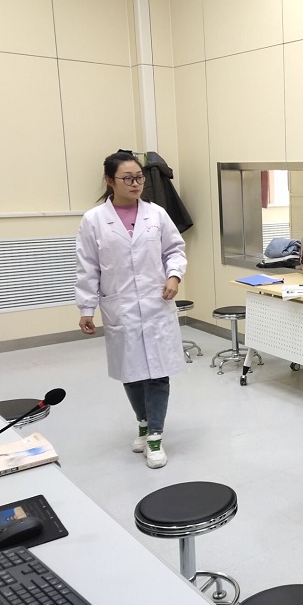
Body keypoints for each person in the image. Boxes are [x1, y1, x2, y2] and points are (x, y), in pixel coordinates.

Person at [75, 151, 187, 469]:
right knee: (132, 372)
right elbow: (87, 268)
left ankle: (155, 436)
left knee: (158, 374)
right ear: (110, 181)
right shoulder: (94, 220)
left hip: (156, 305)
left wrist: (174, 276)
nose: (136, 183)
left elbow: (175, 250)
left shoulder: (156, 215)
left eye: (139, 177)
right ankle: (143, 422)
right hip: (121, 306)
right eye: (128, 178)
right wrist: (86, 308)